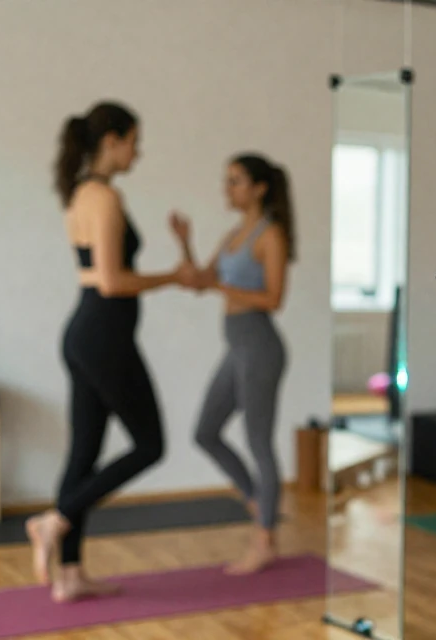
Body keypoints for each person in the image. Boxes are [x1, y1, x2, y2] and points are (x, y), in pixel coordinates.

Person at [27, 101, 191, 602]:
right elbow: (114, 282)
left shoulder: (81, 193)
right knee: (150, 444)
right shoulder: (103, 198)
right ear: (112, 141)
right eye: (134, 142)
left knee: (84, 453)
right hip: (103, 337)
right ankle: (53, 521)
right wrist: (174, 276)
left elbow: (98, 277)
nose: (137, 153)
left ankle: (70, 575)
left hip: (88, 334)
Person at [169, 153, 293, 575]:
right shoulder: (231, 237)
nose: (228, 189)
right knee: (205, 432)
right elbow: (202, 283)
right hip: (236, 347)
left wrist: (221, 284)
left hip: (260, 345)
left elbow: (274, 300)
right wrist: (185, 243)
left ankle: (265, 540)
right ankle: (260, 503)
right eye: (227, 181)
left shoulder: (269, 235)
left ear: (259, 187)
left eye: (236, 181)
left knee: (258, 441)